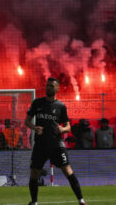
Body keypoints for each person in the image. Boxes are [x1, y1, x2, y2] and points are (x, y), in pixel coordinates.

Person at [23, 77, 86, 205]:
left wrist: (62, 130)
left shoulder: (61, 106)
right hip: (40, 145)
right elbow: (27, 121)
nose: (48, 88)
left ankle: (81, 201)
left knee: (67, 170)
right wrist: (35, 128)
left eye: (51, 86)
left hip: (56, 145)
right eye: (47, 86)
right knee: (34, 172)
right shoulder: (37, 103)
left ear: (57, 88)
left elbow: (68, 127)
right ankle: (34, 202)